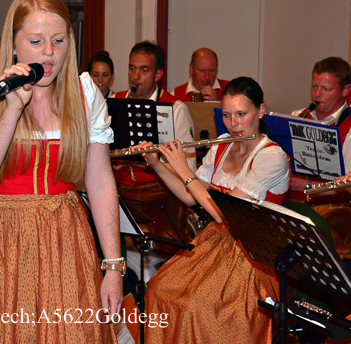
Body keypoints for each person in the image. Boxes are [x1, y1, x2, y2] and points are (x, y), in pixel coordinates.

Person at [0, 0, 122, 343]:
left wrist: (114, 266)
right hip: (1, 239)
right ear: (13, 44)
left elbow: (101, 182)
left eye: (59, 41)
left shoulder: (85, 93)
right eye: (36, 41)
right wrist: (12, 110)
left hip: (67, 238)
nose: (49, 53)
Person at [139, 76, 290, 343]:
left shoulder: (272, 156)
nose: (233, 123)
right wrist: (157, 164)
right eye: (227, 115)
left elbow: (223, 213)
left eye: (241, 114)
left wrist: (184, 169)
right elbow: (190, 197)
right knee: (158, 289)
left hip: (252, 253)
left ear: (261, 111)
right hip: (214, 241)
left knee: (195, 306)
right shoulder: (223, 144)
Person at [114, 41, 197, 180]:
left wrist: (141, 164)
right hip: (117, 186)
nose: (135, 77)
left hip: (156, 189)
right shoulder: (115, 101)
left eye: (144, 70)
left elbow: (189, 168)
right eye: (132, 69)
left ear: (158, 75)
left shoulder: (176, 110)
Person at [290, 57, 351, 193]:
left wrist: (304, 185)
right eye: (314, 86)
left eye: (326, 89)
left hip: (331, 204)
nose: (317, 94)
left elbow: (346, 187)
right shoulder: (297, 116)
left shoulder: (349, 127)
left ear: (345, 90)